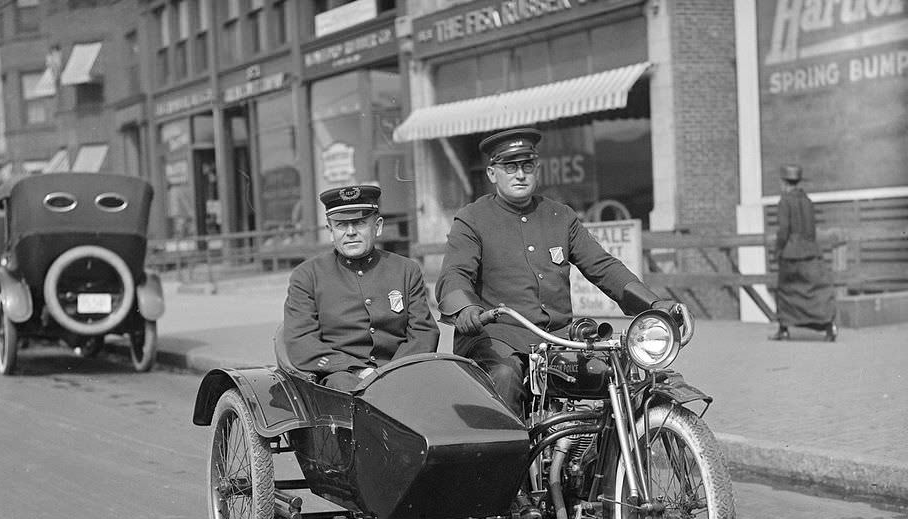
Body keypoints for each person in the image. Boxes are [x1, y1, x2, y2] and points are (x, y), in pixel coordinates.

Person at [436, 127, 691, 416]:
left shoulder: (560, 216)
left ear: (537, 169)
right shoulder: (473, 219)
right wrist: (466, 309)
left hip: (557, 339)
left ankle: (605, 454)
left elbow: (603, 266)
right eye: (510, 166)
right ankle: (508, 459)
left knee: (617, 374)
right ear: (492, 173)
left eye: (527, 166)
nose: (520, 174)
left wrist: (653, 304)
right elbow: (454, 273)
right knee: (505, 376)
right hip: (498, 339)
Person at [280, 184, 439, 390]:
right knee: (346, 388)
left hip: (402, 370)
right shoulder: (307, 276)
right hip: (341, 377)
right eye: (341, 225)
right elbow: (301, 342)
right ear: (330, 231)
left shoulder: (406, 270)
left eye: (360, 223)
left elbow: (424, 332)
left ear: (378, 226)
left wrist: (392, 372)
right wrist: (355, 370)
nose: (351, 232)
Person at [770, 164, 837, 342]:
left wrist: (777, 250)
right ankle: (829, 326)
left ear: (784, 182)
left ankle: (783, 329)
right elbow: (812, 230)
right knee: (814, 291)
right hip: (811, 252)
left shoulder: (784, 201)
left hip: (791, 254)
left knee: (786, 291)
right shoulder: (808, 201)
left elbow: (783, 231)